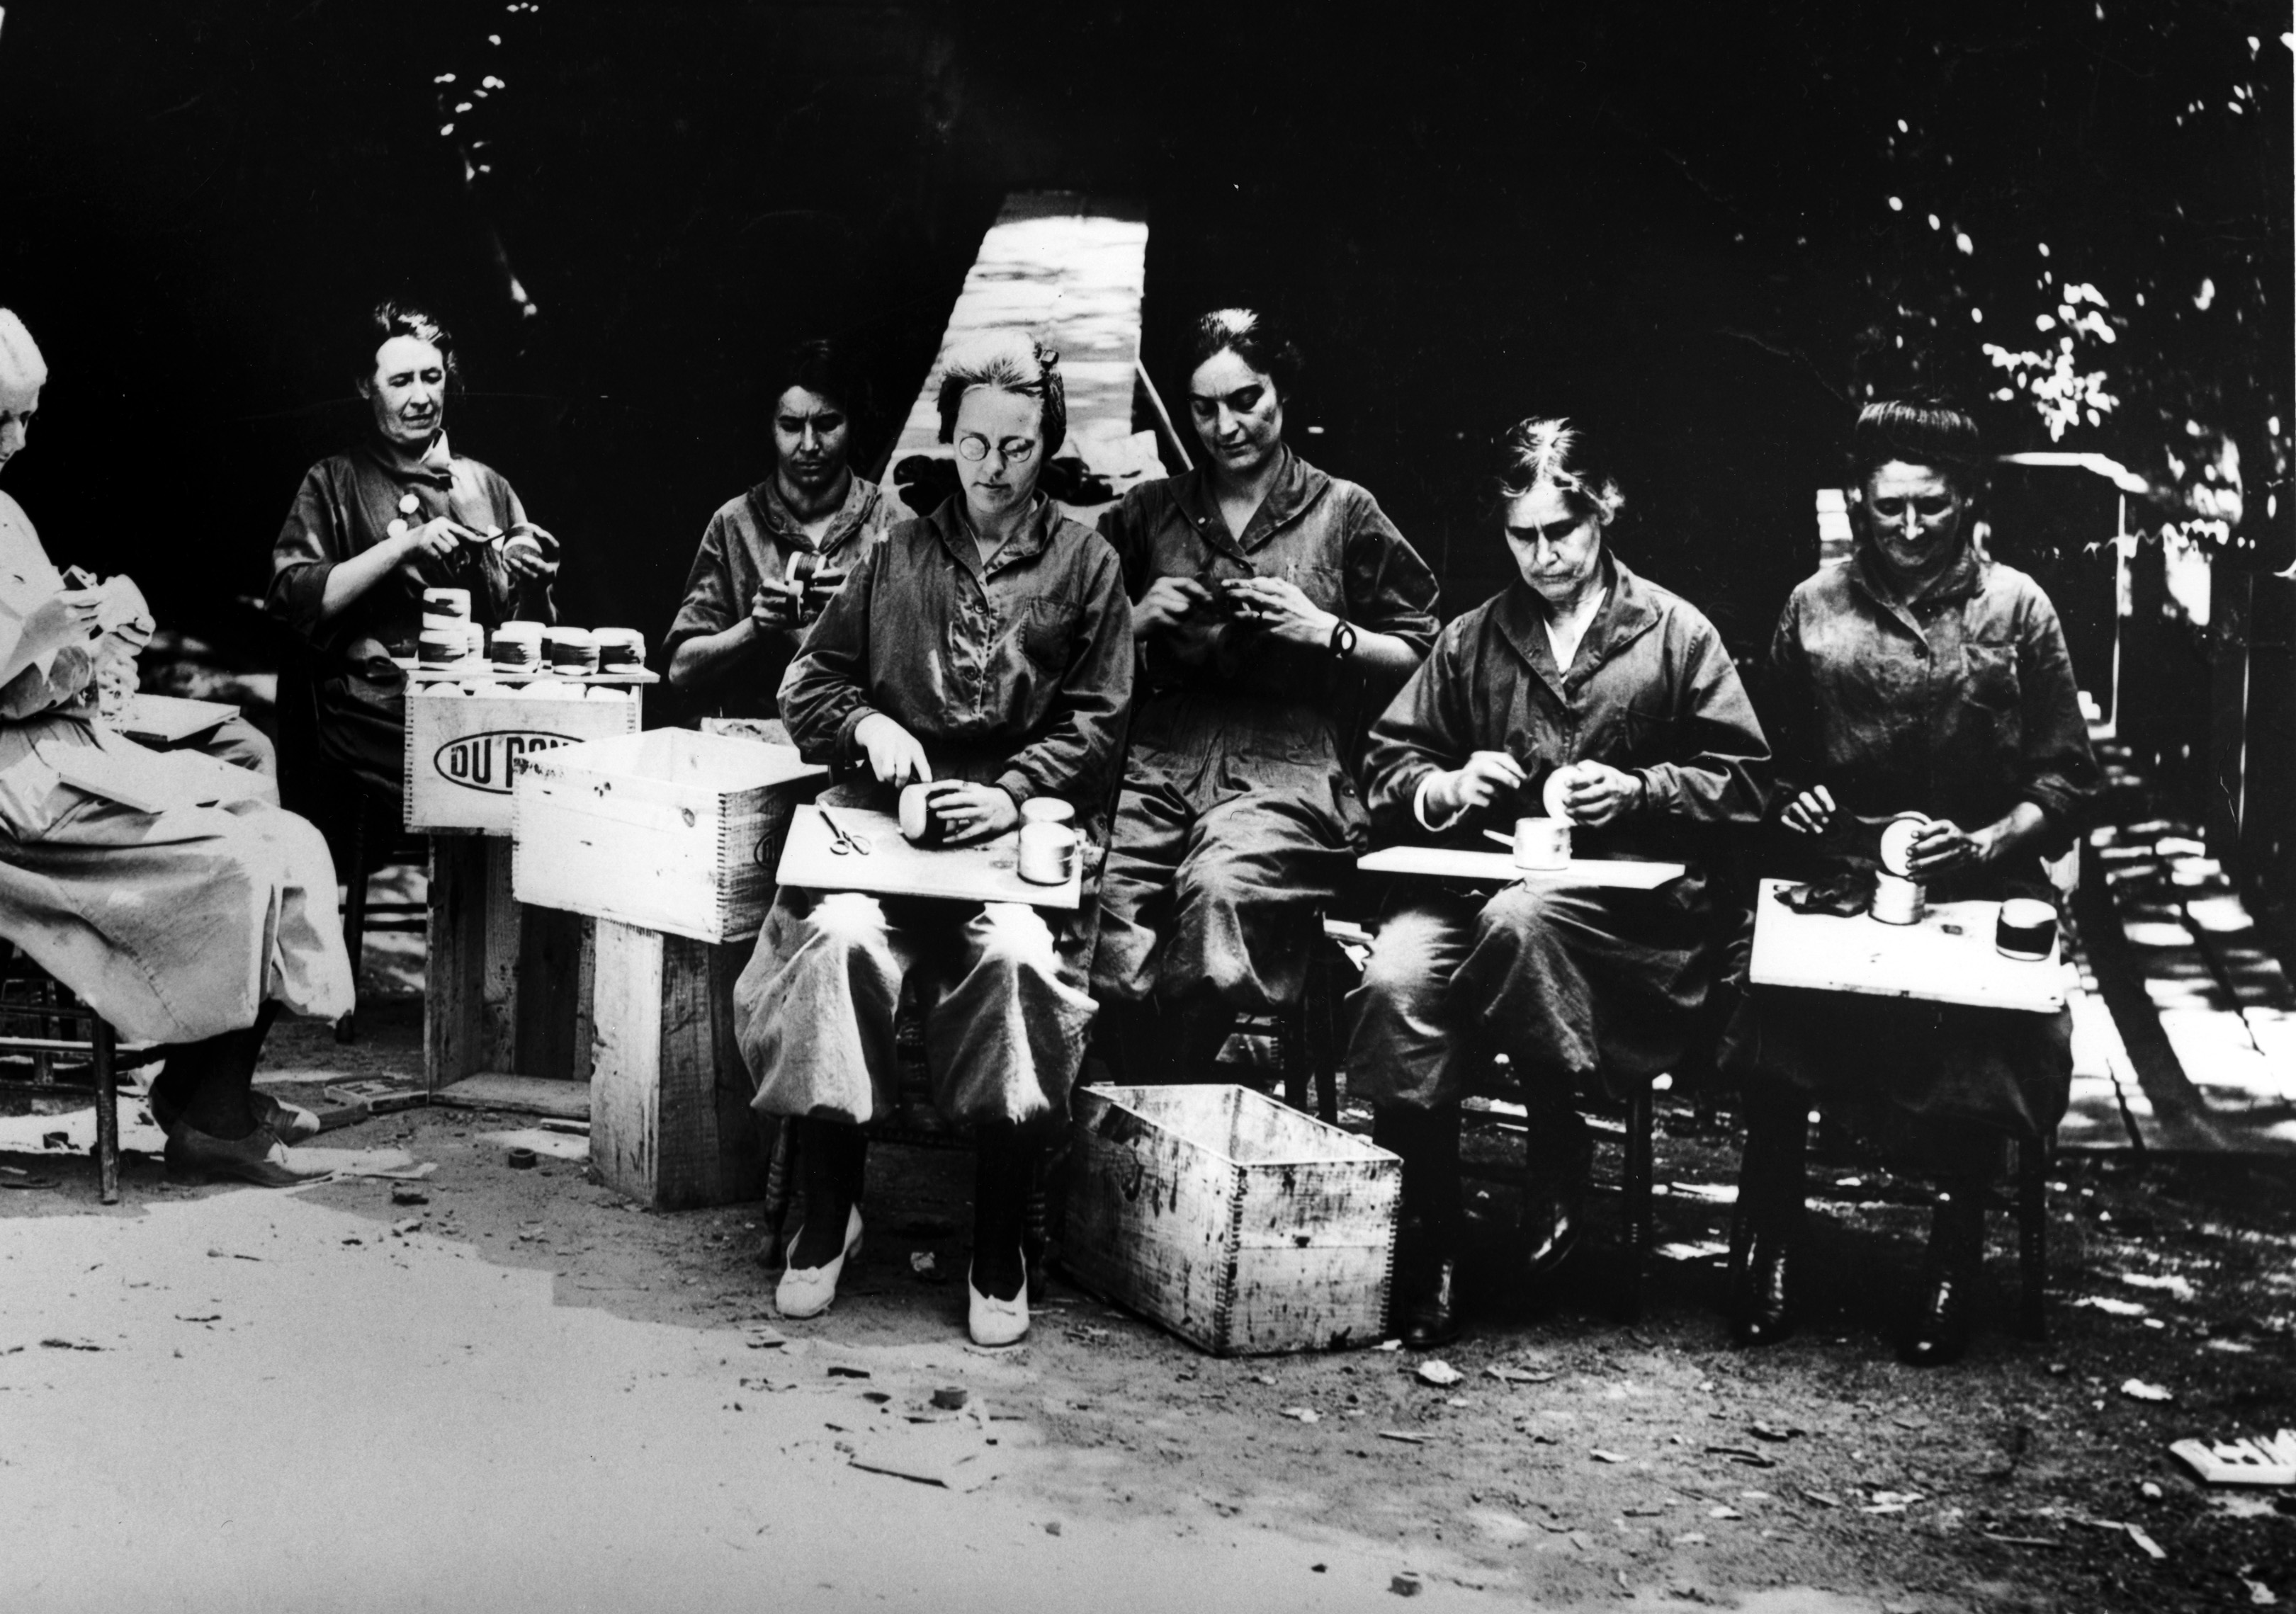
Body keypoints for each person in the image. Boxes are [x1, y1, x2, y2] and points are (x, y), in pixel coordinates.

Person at [0, 305, 351, 1186]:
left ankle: (199, 1093)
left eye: (28, 416)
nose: (18, 438)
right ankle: (208, 1112)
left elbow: (42, 650)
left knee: (287, 830)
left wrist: (102, 633)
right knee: (247, 858)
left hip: (47, 758)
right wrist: (28, 643)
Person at [740, 334, 1134, 1347]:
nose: (992, 468)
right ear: (948, 441)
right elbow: (811, 682)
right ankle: (830, 1212)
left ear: (1046, 443)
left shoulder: (1087, 565)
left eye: (1015, 445)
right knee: (838, 946)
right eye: (973, 444)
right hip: (885, 828)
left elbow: (1098, 721)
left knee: (1013, 962)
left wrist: (1009, 793)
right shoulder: (895, 551)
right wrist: (868, 726)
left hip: (1011, 843)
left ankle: (996, 1234)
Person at [1350, 418, 1770, 1345]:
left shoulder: (1673, 634)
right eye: (1520, 535)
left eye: (1561, 532)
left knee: (1526, 918)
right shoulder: (1474, 640)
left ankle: (1559, 1145)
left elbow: (1746, 781)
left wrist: (1641, 788)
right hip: (1478, 898)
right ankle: (1435, 1232)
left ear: (1604, 513)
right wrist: (1445, 784)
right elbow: (1387, 762)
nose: (1540, 556)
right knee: (1395, 977)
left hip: (1634, 920)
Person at [1721, 397, 2099, 1364]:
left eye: (1932, 506)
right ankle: (1768, 1232)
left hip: (1979, 883)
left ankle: (1952, 1247)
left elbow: (2064, 780)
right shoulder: (1814, 604)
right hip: (1845, 876)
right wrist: (1793, 801)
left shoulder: (2018, 608)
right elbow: (1768, 757)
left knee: (1982, 1026)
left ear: (1968, 499)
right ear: (1859, 502)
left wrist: (1981, 844)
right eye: (1887, 509)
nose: (1910, 529)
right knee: (1776, 1001)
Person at [1092, 309, 1439, 1081]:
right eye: (1203, 408)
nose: (1225, 425)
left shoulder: (1342, 510)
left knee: (1222, 888)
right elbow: (1057, 630)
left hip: (1287, 763)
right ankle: (1135, 1085)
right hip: (1156, 755)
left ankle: (1154, 1091)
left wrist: (1327, 632)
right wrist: (1136, 619)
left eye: (1245, 399)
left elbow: (1423, 652)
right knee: (1101, 888)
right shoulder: (1149, 512)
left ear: (1283, 392)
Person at [266, 303, 558, 805]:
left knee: (542, 754)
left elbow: (533, 635)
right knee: (494, 768)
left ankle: (481, 878)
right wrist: (402, 546)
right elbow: (292, 600)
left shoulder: (487, 484)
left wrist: (535, 584)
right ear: (366, 386)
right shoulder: (335, 480)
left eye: (433, 377)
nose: (421, 397)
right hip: (379, 710)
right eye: (401, 381)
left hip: (482, 703)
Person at [664, 339, 902, 731]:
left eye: (827, 425)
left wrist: (866, 614)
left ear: (852, 422)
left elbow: (932, 671)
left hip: (863, 747)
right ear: (770, 428)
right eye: (791, 426)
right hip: (753, 742)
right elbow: (680, 670)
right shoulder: (734, 524)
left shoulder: (894, 524)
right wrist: (754, 628)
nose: (809, 445)